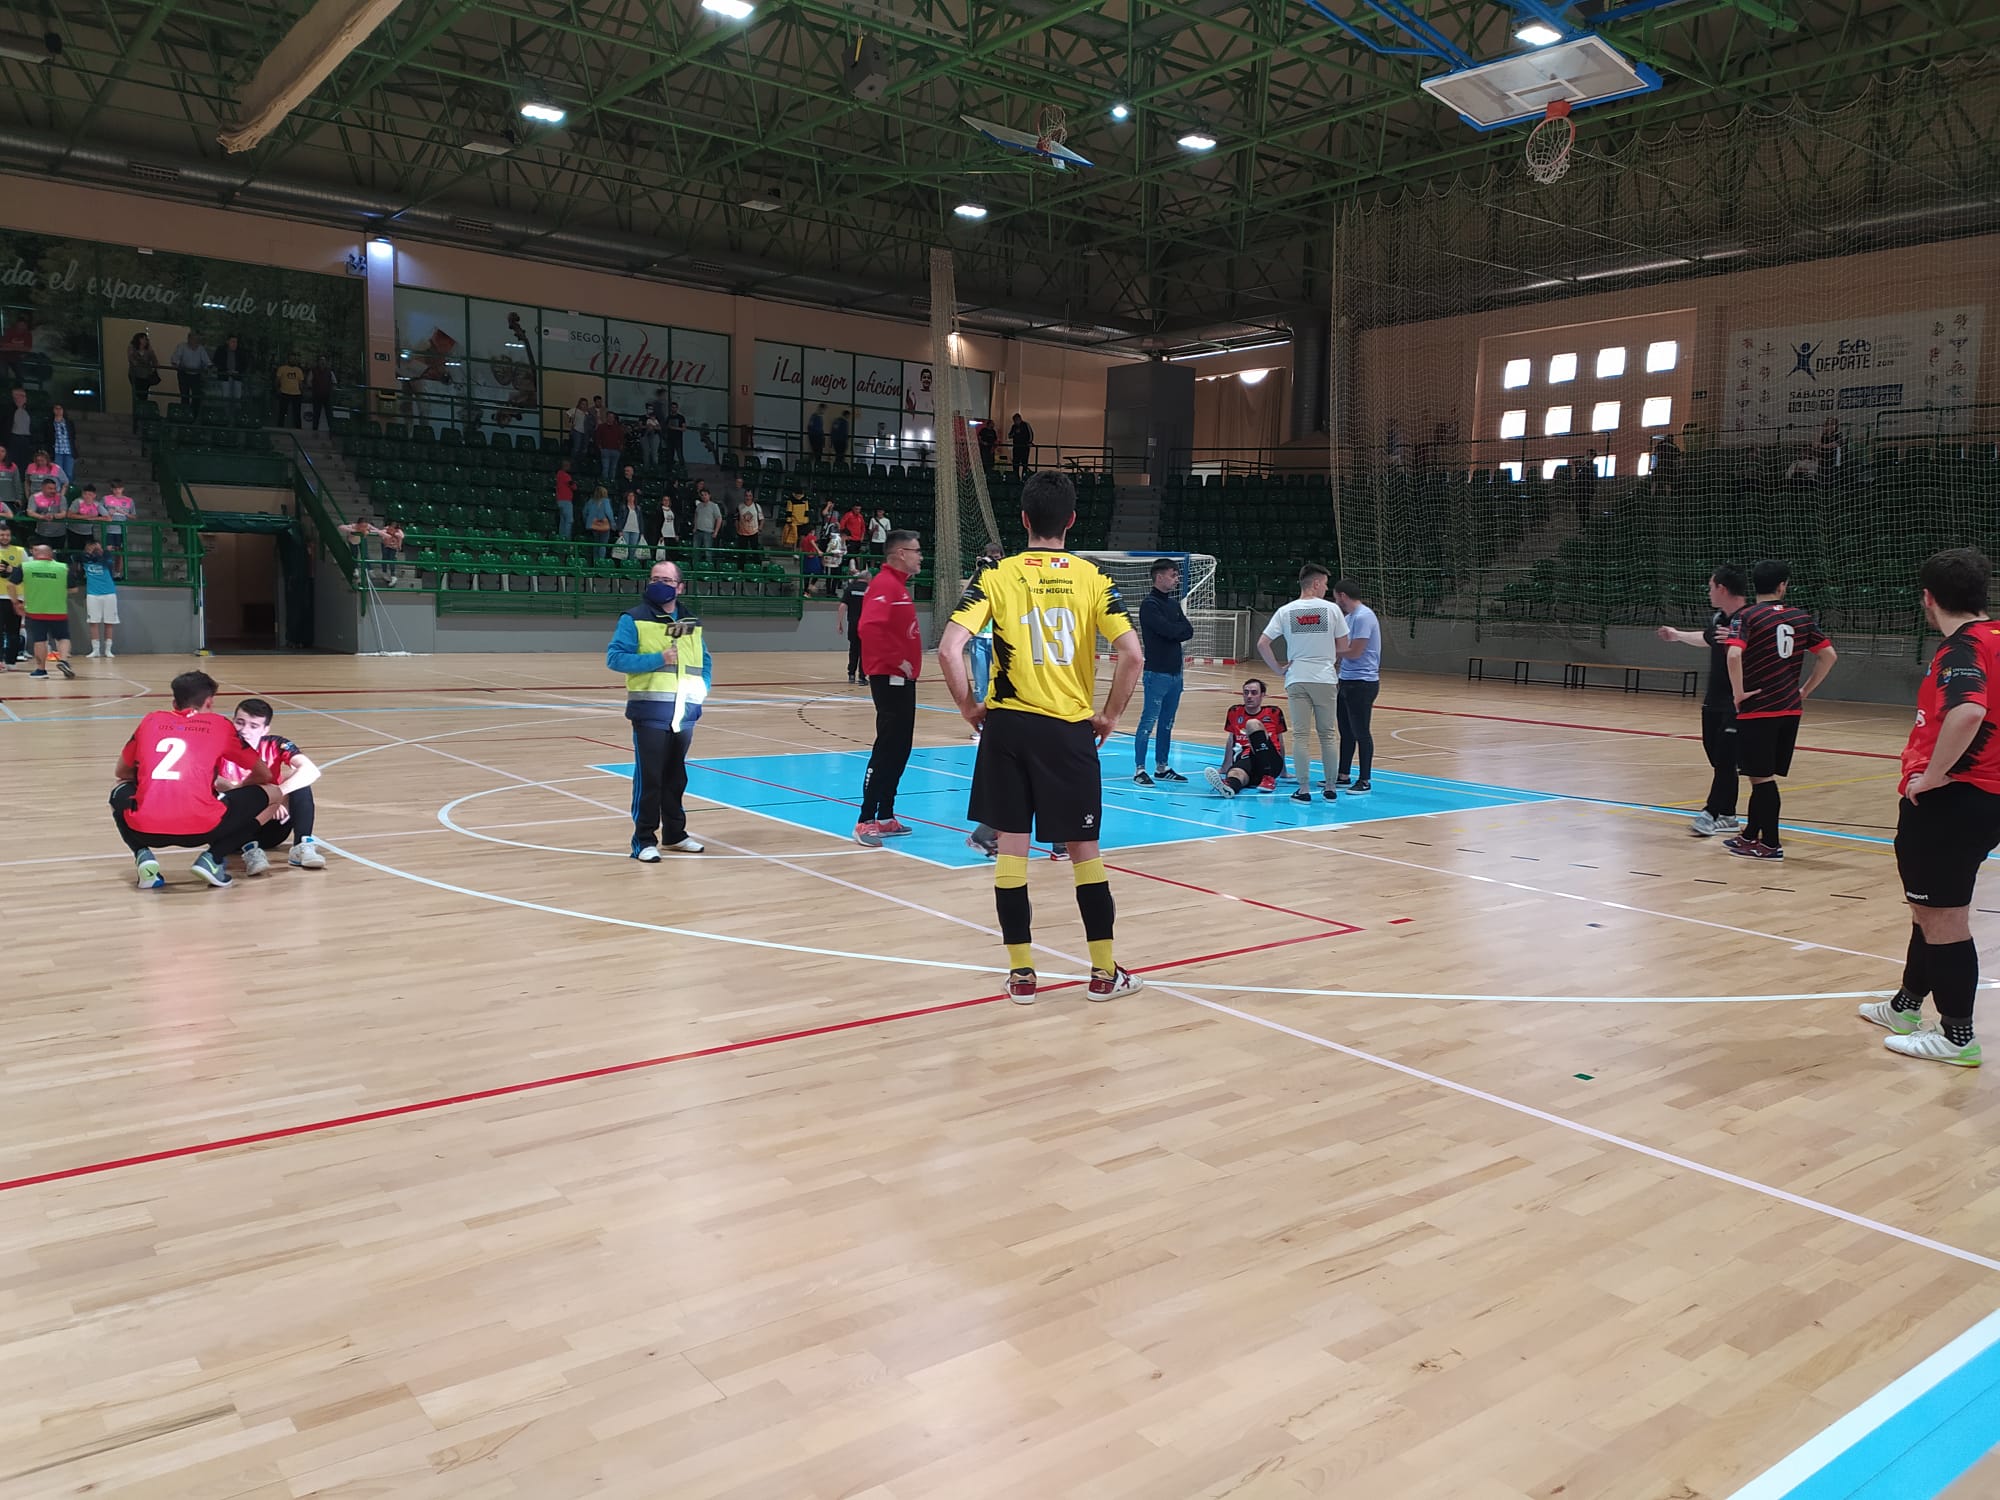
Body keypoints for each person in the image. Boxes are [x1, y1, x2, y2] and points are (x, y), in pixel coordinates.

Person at [937, 470, 1143, 1002]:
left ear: (1024, 520)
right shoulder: (1094, 579)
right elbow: (1133, 654)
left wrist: (968, 707)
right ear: (1071, 521)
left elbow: (949, 647)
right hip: (1067, 732)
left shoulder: (996, 575)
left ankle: (1022, 975)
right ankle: (1102, 974)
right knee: (1085, 854)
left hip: (1006, 728)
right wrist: (1111, 715)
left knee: (1011, 854)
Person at [1864, 547, 2000, 1067]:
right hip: (1985, 799)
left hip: (1952, 801)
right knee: (1929, 909)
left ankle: (1957, 1037)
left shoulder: (1960, 648)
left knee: (1943, 918)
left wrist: (1936, 774)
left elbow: (1967, 712)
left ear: (1928, 598)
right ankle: (1904, 1008)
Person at [111, 670, 282, 890]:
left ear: (174, 702)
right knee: (274, 795)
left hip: (145, 829)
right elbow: (264, 775)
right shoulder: (219, 725)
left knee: (119, 789)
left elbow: (122, 772)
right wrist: (234, 791)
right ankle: (213, 857)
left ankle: (143, 856)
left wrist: (152, 784)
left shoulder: (150, 720)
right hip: (203, 830)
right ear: (209, 702)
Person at [1723, 559, 1837, 860]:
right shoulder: (1801, 617)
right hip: (1789, 707)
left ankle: (1770, 844)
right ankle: (1750, 835)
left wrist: (1738, 693)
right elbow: (1828, 656)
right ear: (1782, 585)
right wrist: (1805, 691)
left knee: (1761, 779)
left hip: (1759, 707)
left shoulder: (1746, 616)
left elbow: (1734, 655)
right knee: (1761, 775)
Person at [606, 560, 709, 860]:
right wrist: (657, 658)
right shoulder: (634, 618)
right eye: (654, 578)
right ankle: (644, 840)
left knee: (676, 778)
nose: (658, 583)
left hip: (684, 713)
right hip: (650, 710)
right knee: (649, 778)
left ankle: (675, 834)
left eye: (665, 579)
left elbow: (703, 659)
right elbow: (614, 658)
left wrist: (703, 688)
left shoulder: (689, 620)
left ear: (680, 586)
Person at [1656, 564, 1750, 836]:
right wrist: (1677, 635)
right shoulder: (1719, 618)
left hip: (1736, 701)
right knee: (1719, 759)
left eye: (1711, 587)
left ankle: (1710, 813)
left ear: (1721, 588)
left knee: (1725, 759)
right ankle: (1729, 816)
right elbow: (1707, 639)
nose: (1708, 592)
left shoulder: (1750, 619)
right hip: (1713, 700)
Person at [853, 529, 925, 846]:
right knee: (886, 748)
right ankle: (865, 819)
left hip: (903, 680)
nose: (920, 556)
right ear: (900, 554)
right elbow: (868, 627)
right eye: (916, 550)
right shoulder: (884, 585)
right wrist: (898, 661)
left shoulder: (898, 587)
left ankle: (885, 815)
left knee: (900, 748)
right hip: (889, 678)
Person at [1257, 564, 1348, 804]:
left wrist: (1278, 669)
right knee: (1328, 734)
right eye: (1326, 584)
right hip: (1325, 679)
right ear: (1316, 583)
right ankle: (1330, 787)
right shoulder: (1332, 610)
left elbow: (1262, 643)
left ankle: (1304, 789)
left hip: (1297, 677)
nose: (1327, 588)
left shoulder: (1286, 611)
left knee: (1300, 736)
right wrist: (1329, 660)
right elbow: (1343, 646)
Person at [219, 697, 328, 872]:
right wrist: (265, 799)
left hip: (272, 827)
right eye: (240, 722)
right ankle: (250, 852)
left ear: (265, 730)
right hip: (234, 830)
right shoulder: (221, 747)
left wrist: (277, 794)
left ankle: (302, 846)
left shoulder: (275, 744)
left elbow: (311, 771)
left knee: (299, 779)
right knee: (226, 796)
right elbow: (216, 783)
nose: (244, 730)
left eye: (253, 726)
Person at [1133, 556, 1193, 786]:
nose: (1176, 579)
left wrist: (1174, 630)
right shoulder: (1150, 605)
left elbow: (1187, 630)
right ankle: (1139, 769)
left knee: (1167, 722)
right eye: (1173, 575)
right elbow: (1168, 630)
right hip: (1156, 673)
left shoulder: (1173, 605)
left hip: (1175, 674)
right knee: (1148, 721)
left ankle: (1162, 766)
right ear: (1160, 577)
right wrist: (1174, 630)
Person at [1333, 578, 1382, 793]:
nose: (1336, 602)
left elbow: (1354, 652)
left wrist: (1327, 652)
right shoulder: (1350, 617)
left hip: (1362, 682)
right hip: (1346, 679)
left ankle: (1365, 779)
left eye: (1336, 598)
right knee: (1346, 731)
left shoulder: (1363, 616)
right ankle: (1343, 774)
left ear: (1342, 596)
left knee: (1361, 731)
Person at [1206, 679, 1288, 797]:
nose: (1249, 696)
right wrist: (1225, 767)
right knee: (1235, 773)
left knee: (1252, 724)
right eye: (1246, 692)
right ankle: (1229, 787)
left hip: (1271, 762)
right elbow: (1231, 739)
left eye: (1254, 693)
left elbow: (1280, 742)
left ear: (1262, 695)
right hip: (1246, 758)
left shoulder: (1273, 712)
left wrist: (1283, 771)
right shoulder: (1234, 711)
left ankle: (1268, 777)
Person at [12, 543, 73, 678]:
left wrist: (16, 602)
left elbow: (11, 584)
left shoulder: (25, 567)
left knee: (40, 640)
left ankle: (41, 670)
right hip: (58, 610)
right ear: (51, 554)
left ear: (35, 554)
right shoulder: (63, 568)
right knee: (63, 637)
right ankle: (64, 661)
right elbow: (73, 588)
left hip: (35, 611)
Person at [964, 541, 1005, 730]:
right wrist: (978, 572)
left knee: (1001, 684)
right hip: (980, 638)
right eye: (991, 558)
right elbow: (965, 598)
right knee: (981, 685)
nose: (992, 562)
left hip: (999, 638)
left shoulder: (1006, 578)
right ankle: (982, 726)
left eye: (996, 558)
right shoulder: (979, 578)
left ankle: (999, 724)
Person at [81, 538, 118, 658]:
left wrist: (102, 551)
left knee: (109, 622)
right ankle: (95, 650)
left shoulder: (106, 559)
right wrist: (89, 552)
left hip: (109, 593)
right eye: (92, 547)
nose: (95, 550)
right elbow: (76, 558)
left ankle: (108, 649)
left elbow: (109, 562)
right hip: (93, 594)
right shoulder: (85, 559)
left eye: (97, 547)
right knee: (93, 622)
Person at [835, 557, 870, 684]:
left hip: (853, 623)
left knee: (853, 649)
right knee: (864, 651)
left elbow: (842, 606)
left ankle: (851, 674)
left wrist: (839, 623)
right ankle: (862, 676)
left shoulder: (850, 589)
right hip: (866, 625)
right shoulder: (870, 590)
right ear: (868, 578)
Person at [170, 331, 211, 415]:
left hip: (196, 375)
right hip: (183, 374)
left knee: (196, 397)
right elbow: (174, 360)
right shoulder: (182, 347)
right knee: (185, 396)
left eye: (197, 340)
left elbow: (207, 362)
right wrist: (178, 366)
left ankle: (194, 416)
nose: (195, 342)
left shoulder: (201, 349)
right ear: (189, 339)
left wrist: (207, 368)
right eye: (193, 339)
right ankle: (185, 415)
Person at [127, 333, 161, 431]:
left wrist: (151, 364)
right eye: (143, 338)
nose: (145, 340)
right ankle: (138, 418)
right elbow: (132, 360)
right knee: (137, 396)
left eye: (146, 339)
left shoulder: (149, 351)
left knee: (144, 396)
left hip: (145, 377)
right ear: (138, 340)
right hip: (135, 376)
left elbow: (156, 362)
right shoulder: (132, 349)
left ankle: (143, 417)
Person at [0, 520, 21, 670]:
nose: (5, 537)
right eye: (2, 535)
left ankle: (11, 661)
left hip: (15, 597)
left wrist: (11, 570)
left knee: (14, 631)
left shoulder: (20, 551)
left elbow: (26, 572)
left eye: (7, 535)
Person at [583, 485, 616, 563]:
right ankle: (601, 562)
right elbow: (609, 513)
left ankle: (595, 561)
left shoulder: (590, 501)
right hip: (604, 526)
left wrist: (587, 521)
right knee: (603, 544)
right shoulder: (606, 501)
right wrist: (613, 524)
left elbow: (584, 512)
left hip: (593, 526)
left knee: (596, 544)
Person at [273, 352, 305, 427]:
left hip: (296, 394)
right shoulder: (282, 368)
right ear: (288, 359)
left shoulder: (299, 370)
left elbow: (300, 383)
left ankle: (298, 429)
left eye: (294, 359)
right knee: (282, 412)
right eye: (291, 358)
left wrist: (302, 392)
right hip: (284, 392)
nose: (293, 360)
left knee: (297, 413)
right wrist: (277, 389)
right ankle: (280, 427)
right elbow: (277, 380)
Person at [693, 485, 721, 556]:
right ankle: (695, 566)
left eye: (705, 495)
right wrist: (695, 527)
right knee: (695, 552)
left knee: (708, 553)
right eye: (702, 495)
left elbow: (719, 518)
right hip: (698, 531)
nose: (704, 496)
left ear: (709, 495)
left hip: (708, 532)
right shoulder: (699, 506)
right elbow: (696, 515)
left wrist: (716, 531)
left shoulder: (714, 506)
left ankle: (708, 566)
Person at [734, 489, 764, 554]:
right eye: (746, 496)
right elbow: (736, 519)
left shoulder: (757, 506)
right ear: (744, 496)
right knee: (742, 553)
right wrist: (737, 530)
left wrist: (760, 529)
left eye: (750, 496)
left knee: (755, 551)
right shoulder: (739, 506)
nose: (748, 498)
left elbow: (762, 519)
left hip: (754, 532)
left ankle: (757, 563)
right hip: (742, 533)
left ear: (752, 497)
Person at [1008, 413, 1033, 477]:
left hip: (1024, 447)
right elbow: (1009, 435)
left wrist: (1029, 442)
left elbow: (1030, 434)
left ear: (1019, 419)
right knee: (1015, 463)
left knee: (1024, 463)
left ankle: (1024, 476)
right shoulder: (1014, 426)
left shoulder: (1025, 425)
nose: (1015, 422)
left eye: (1016, 420)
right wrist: (1014, 433)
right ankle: (1016, 477)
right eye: (1014, 420)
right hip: (1016, 447)